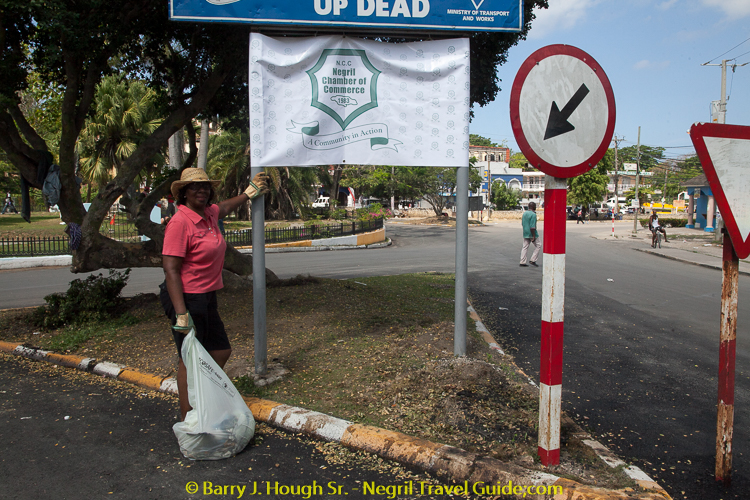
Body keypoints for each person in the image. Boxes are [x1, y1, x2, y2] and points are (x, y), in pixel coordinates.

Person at [161, 168, 269, 421]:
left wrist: (248, 193)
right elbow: (171, 270)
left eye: (205, 186)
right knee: (188, 359)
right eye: (195, 187)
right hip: (186, 298)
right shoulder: (180, 222)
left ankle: (202, 395)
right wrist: (181, 314)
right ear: (184, 193)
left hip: (207, 295)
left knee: (220, 351)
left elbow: (224, 207)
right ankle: (189, 417)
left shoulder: (208, 213)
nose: (201, 190)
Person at [520, 201, 540, 267]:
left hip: (525, 232)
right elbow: (532, 227)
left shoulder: (525, 213)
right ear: (533, 207)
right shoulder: (533, 214)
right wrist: (533, 236)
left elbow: (523, 223)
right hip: (532, 233)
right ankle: (533, 260)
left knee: (525, 247)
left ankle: (522, 261)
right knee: (538, 245)